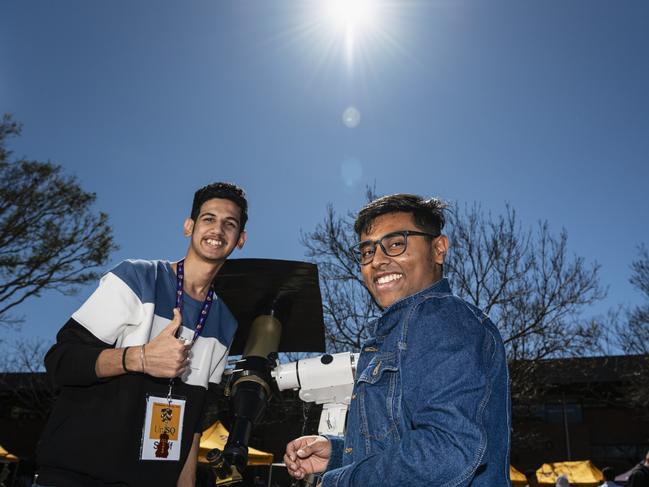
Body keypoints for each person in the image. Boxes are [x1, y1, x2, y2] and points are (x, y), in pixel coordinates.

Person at [284, 194, 511, 486]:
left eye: (395, 244)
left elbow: (449, 450)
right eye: (367, 251)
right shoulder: (397, 336)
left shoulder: (438, 316)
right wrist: (337, 455)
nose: (377, 260)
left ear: (438, 248)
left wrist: (339, 482)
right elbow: (403, 445)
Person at [35, 182, 248, 487]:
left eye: (230, 224)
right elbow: (61, 361)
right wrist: (139, 357)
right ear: (189, 226)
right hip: (76, 474)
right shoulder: (136, 278)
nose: (218, 229)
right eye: (208, 218)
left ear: (240, 239)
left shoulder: (225, 322)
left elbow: (197, 418)